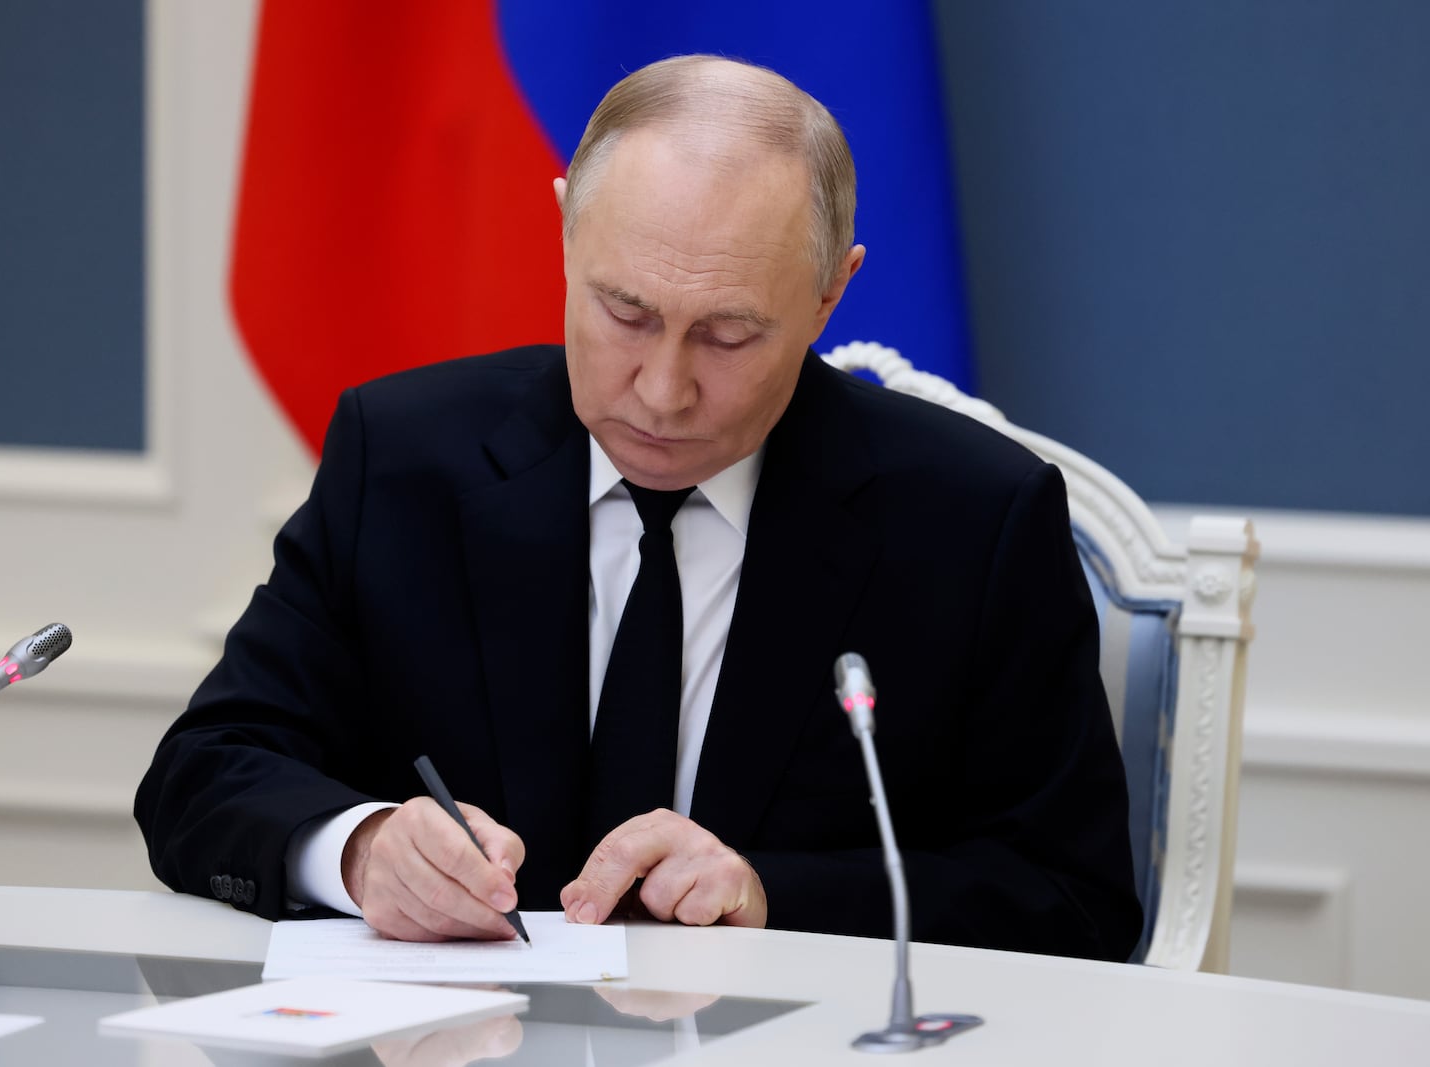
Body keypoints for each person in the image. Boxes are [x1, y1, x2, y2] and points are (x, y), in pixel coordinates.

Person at [135, 55, 1142, 961]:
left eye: (729, 334)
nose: (660, 389)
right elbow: (204, 772)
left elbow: (1070, 897)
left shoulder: (971, 517)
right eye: (625, 312)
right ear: (567, 230)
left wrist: (768, 892)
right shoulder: (402, 457)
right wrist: (357, 850)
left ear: (832, 294)